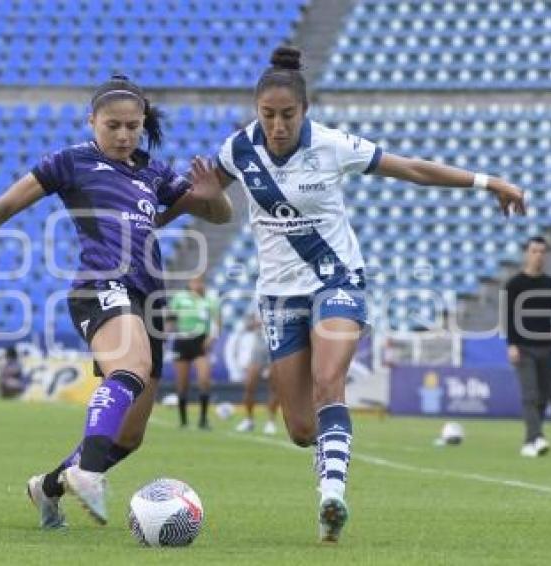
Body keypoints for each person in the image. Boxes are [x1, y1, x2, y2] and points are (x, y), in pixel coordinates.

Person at [166, 46, 526, 542]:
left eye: (287, 115)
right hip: (277, 296)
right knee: (299, 428)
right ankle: (328, 452)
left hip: (337, 280)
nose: (277, 125)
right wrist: (156, 215)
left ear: (305, 111)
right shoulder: (237, 151)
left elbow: (412, 169)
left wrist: (489, 182)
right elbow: (199, 199)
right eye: (268, 115)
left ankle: (331, 495)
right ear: (256, 112)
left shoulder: (334, 145)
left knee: (328, 379)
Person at [0, 74, 232, 529]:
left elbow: (213, 211)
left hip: (150, 299)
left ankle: (47, 487)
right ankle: (88, 474)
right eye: (113, 125)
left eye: (133, 126)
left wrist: (213, 199)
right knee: (128, 369)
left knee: (130, 436)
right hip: (100, 285)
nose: (123, 134)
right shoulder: (71, 162)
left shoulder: (154, 171)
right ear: (91, 120)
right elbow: (5, 206)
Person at [503, 236, 551, 457]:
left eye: (542, 251)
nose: (538, 255)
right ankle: (537, 437)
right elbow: (508, 318)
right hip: (523, 347)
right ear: (526, 254)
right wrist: (511, 345)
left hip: (546, 347)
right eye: (534, 251)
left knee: (543, 395)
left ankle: (531, 440)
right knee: (529, 394)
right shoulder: (514, 285)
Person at [168, 275, 219, 429]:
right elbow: (170, 318)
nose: (198, 285)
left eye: (200, 282)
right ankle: (183, 421)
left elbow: (217, 320)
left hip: (200, 342)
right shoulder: (179, 297)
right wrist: (168, 331)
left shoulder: (209, 299)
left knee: (204, 380)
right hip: (182, 341)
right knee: (182, 384)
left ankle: (203, 419)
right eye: (195, 282)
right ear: (189, 283)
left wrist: (211, 337)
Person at [235, 312, 279, 435]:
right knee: (249, 384)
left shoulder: (282, 299)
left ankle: (271, 421)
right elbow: (246, 323)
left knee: (274, 386)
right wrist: (254, 323)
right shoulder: (257, 301)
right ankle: (249, 419)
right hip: (258, 347)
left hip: (276, 345)